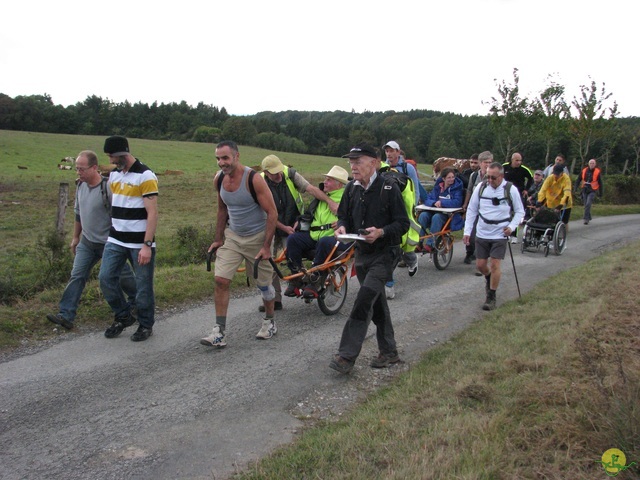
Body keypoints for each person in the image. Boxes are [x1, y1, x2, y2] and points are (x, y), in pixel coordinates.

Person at [329, 142, 410, 374]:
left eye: (358, 162)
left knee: (364, 298)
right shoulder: (352, 189)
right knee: (376, 303)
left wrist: (381, 232)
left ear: (373, 163)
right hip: (362, 254)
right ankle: (390, 352)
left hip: (386, 253)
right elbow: (343, 215)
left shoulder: (388, 187)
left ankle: (346, 356)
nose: (353, 167)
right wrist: (343, 228)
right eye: (351, 162)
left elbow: (403, 224)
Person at [200, 140, 278, 348]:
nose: (221, 163)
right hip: (233, 236)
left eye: (225, 158)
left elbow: (272, 213)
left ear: (237, 156)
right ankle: (219, 332)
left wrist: (266, 246)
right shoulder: (218, 180)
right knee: (221, 280)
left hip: (257, 237)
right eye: (218, 158)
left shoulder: (253, 179)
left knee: (264, 286)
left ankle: (270, 321)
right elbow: (221, 210)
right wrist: (218, 239)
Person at [46, 151, 136, 330]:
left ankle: (138, 301)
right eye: (77, 169)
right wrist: (75, 237)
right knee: (77, 275)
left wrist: (120, 239)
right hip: (87, 242)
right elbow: (78, 213)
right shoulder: (80, 186)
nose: (78, 172)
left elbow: (120, 214)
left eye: (82, 169)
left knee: (121, 276)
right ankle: (66, 315)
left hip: (109, 243)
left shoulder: (108, 188)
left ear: (94, 167)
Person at [98, 136, 158, 342]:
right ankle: (123, 315)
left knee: (143, 286)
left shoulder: (146, 175)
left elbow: (152, 213)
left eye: (113, 156)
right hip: (115, 239)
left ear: (123, 153)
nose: (111, 160)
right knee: (105, 278)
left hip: (139, 242)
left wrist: (147, 245)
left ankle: (145, 324)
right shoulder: (115, 175)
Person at [259, 154, 337, 312]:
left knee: (291, 257)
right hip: (272, 226)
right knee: (270, 263)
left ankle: (306, 281)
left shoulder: (290, 174)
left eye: (279, 170)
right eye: (274, 173)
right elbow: (265, 212)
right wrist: (282, 227)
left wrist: (329, 202)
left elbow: (312, 189)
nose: (278, 175)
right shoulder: (259, 182)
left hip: (294, 225)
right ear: (266, 173)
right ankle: (275, 300)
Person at [463, 161, 524, 311]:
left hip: (500, 233)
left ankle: (491, 296)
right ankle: (489, 278)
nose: (489, 180)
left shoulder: (511, 190)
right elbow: (472, 210)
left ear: (502, 176)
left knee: (495, 264)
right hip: (482, 231)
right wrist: (467, 231)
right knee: (480, 265)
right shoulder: (481, 187)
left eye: (493, 177)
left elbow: (520, 212)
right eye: (488, 177)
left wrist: (511, 227)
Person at [284, 165, 349, 298]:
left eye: (329, 180)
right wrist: (299, 220)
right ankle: (296, 277)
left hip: (336, 239)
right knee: (293, 239)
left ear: (339, 184)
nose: (325, 182)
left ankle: (315, 280)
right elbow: (309, 214)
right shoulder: (322, 197)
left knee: (324, 242)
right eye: (326, 179)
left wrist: (345, 222)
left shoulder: (347, 199)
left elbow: (356, 217)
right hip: (315, 236)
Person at [382, 140, 421, 298]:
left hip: (405, 209)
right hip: (389, 212)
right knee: (393, 247)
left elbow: (415, 188)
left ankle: (412, 260)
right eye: (387, 151)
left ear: (399, 152)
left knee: (407, 244)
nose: (389, 154)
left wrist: (413, 208)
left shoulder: (408, 168)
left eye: (392, 151)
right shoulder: (383, 168)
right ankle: (389, 285)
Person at [417, 167, 464, 252]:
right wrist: (434, 203)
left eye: (453, 177)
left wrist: (442, 203)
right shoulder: (438, 188)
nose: (451, 179)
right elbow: (428, 199)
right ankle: (418, 242)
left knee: (437, 217)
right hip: (434, 211)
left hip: (448, 216)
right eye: (449, 177)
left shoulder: (457, 189)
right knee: (423, 215)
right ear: (443, 179)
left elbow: (457, 202)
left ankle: (430, 244)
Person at [462, 152, 492, 265]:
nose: (488, 165)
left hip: (487, 210)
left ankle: (482, 258)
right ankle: (469, 253)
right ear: (480, 163)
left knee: (484, 235)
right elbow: (469, 190)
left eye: (490, 162)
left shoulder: (493, 177)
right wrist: (465, 204)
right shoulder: (474, 176)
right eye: (485, 162)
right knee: (471, 232)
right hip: (475, 208)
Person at [503, 152, 533, 243]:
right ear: (512, 160)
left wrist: (526, 190)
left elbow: (531, 178)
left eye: (520, 160)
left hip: (518, 193)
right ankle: (506, 233)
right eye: (517, 160)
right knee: (506, 213)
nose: (519, 162)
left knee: (516, 213)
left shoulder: (524, 169)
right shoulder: (504, 166)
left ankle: (514, 235)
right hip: (506, 192)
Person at [575, 158, 603, 225]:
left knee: (588, 204)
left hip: (592, 190)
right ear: (588, 164)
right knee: (586, 205)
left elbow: (600, 183)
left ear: (595, 164)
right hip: (585, 189)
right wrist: (575, 188)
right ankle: (589, 216)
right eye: (590, 163)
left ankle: (586, 219)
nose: (592, 164)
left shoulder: (597, 172)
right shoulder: (584, 170)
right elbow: (578, 179)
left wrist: (601, 193)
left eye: (593, 163)